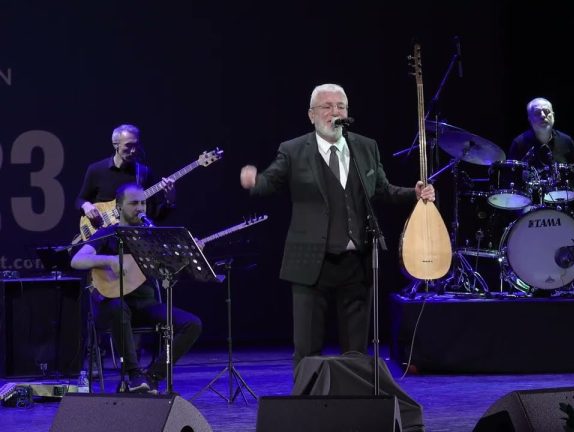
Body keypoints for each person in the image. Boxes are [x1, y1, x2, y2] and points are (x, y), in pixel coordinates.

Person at [239, 83, 436, 374]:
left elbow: (382, 190)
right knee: (307, 350)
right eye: (327, 107)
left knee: (356, 351)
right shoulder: (293, 150)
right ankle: (305, 399)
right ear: (311, 115)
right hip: (310, 262)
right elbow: (271, 181)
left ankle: (355, 398)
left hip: (356, 262)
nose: (335, 112)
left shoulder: (365, 147)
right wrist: (255, 181)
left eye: (340, 107)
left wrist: (414, 193)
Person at [70, 183, 202, 393]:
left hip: (144, 305)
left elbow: (167, 273)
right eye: (133, 203)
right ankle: (133, 375)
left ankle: (153, 376)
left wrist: (186, 255)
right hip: (111, 306)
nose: (140, 208)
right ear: (119, 207)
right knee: (118, 308)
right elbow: (77, 260)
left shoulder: (150, 237)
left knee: (192, 324)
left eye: (143, 203)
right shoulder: (107, 233)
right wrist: (109, 260)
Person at [76, 124, 175, 237]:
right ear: (115, 144)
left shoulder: (144, 173)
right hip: (102, 235)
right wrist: (86, 205)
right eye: (128, 145)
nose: (133, 151)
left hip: (131, 237)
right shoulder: (96, 169)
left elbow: (154, 215)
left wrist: (169, 201)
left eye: (136, 145)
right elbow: (80, 200)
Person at [508, 97, 574, 203]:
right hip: (530, 202)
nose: (543, 115)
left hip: (563, 200)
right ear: (530, 119)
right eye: (537, 113)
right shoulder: (519, 143)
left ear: (553, 115)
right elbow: (510, 178)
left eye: (547, 111)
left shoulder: (566, 140)